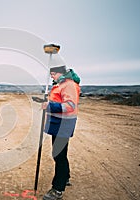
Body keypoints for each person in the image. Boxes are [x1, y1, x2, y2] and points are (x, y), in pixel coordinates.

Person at [42, 65, 81, 200]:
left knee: (58, 155)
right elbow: (58, 100)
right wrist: (47, 102)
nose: (51, 75)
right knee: (60, 154)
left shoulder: (68, 85)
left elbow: (70, 105)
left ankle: (58, 189)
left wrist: (50, 106)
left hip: (63, 125)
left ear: (60, 73)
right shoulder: (60, 84)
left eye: (53, 73)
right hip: (58, 124)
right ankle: (65, 177)